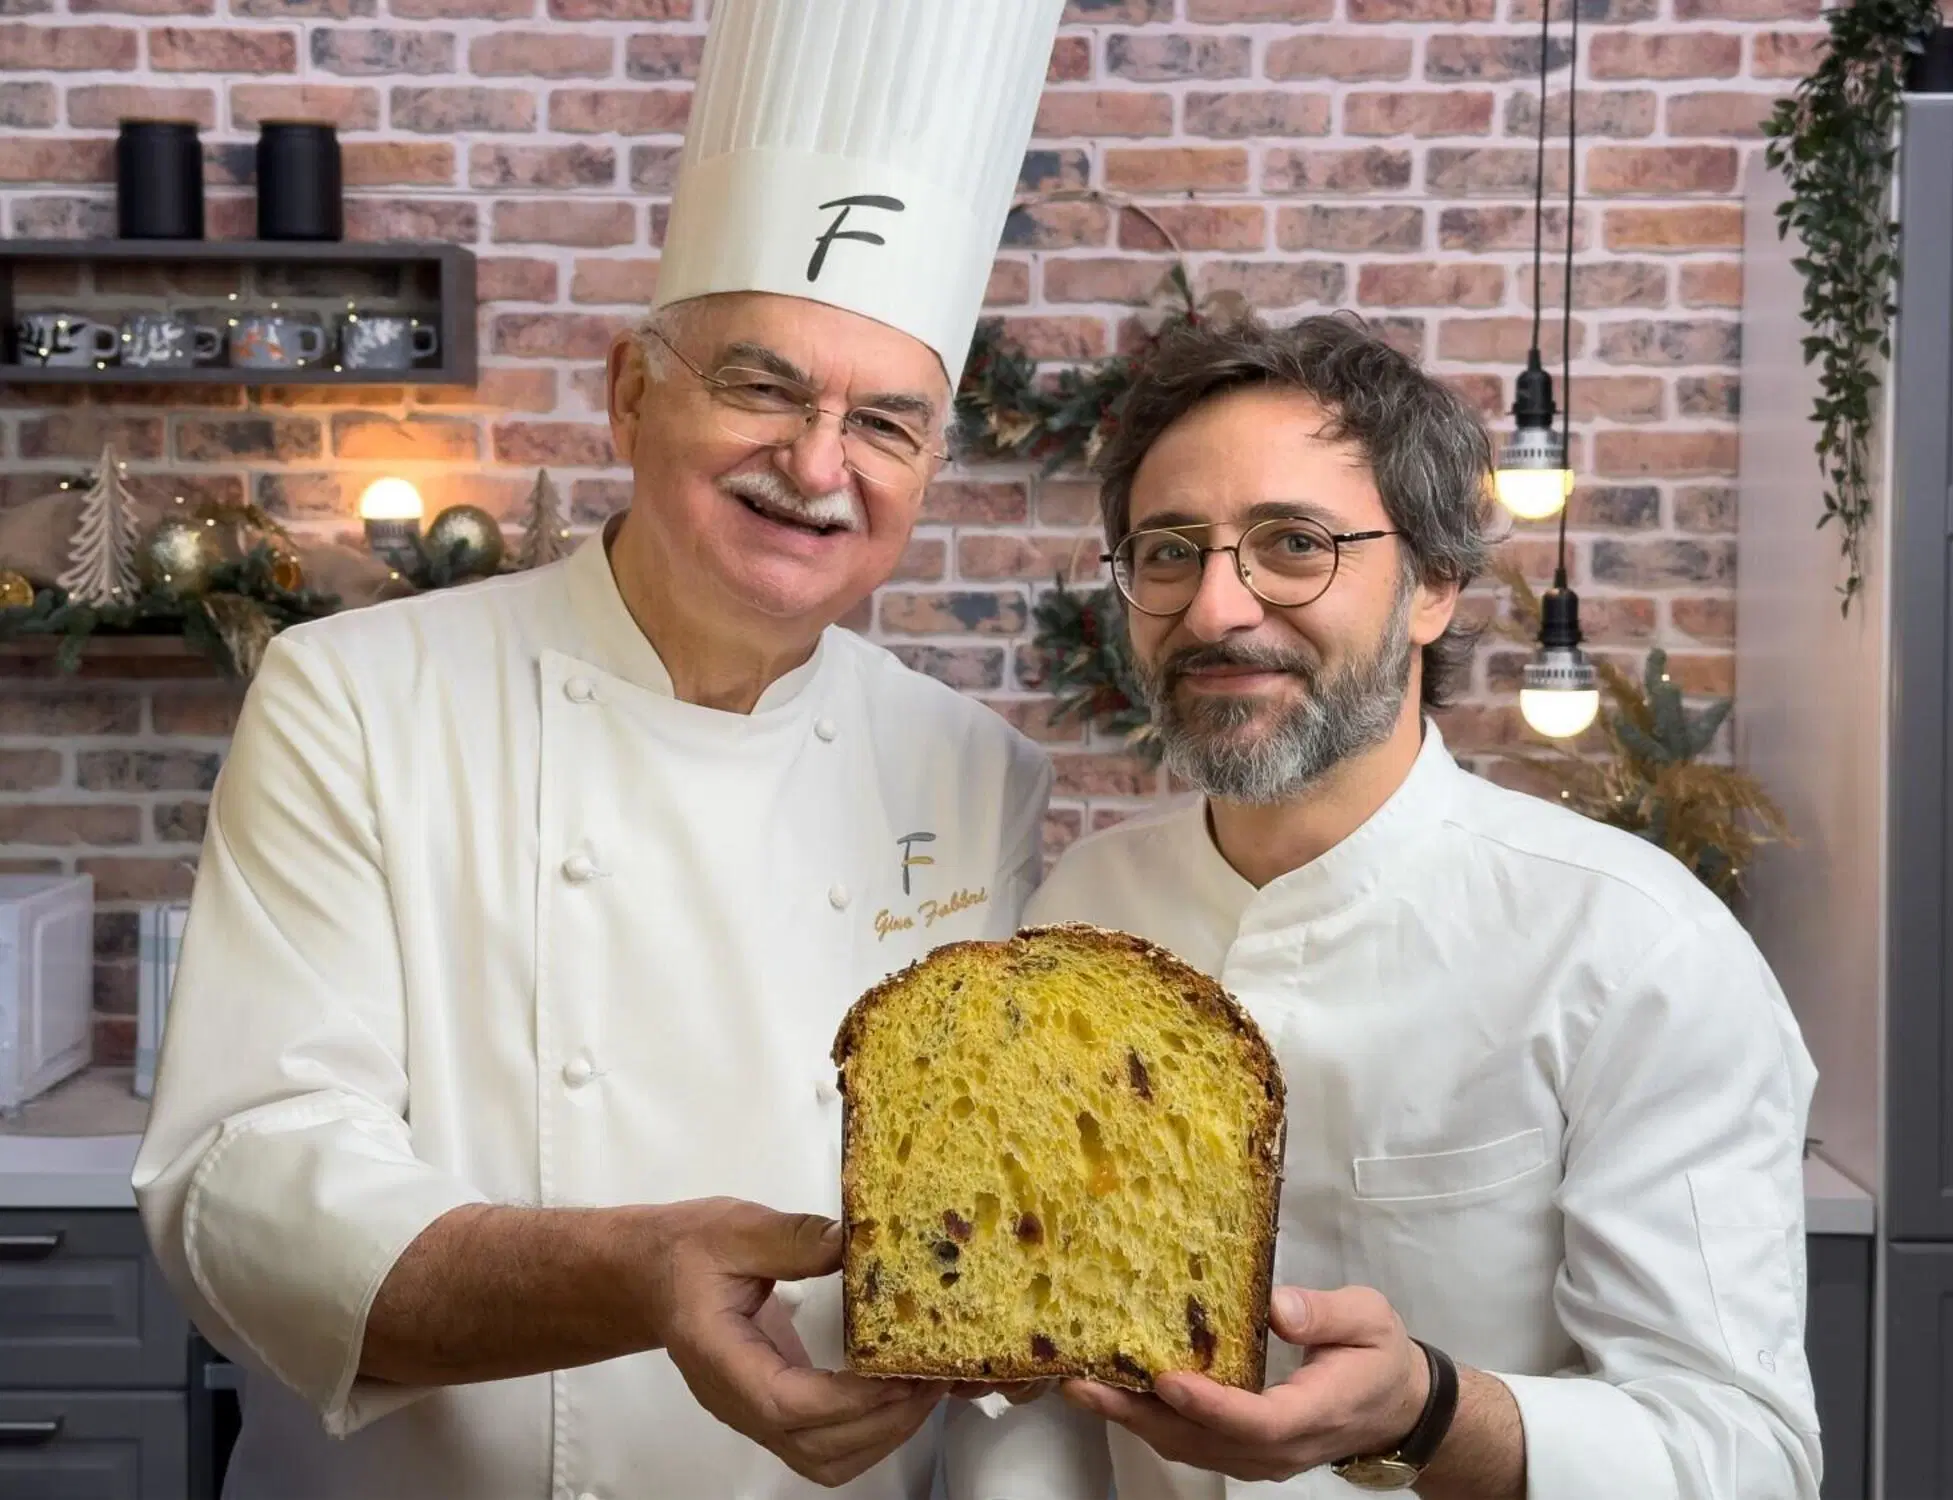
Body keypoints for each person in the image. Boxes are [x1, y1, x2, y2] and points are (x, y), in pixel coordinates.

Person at [130, 3, 1069, 1496]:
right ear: (633, 394)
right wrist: (639, 1275)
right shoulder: (355, 696)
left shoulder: (972, 769)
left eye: (884, 425)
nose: (819, 467)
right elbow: (241, 1184)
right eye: (763, 386)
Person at [953, 314, 1821, 1499]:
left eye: (1293, 543)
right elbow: (1040, 1381)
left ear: (1433, 586)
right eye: (1166, 551)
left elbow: (1743, 1456)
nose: (1215, 610)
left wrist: (1429, 1410)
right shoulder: (1082, 910)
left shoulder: (1631, 948)